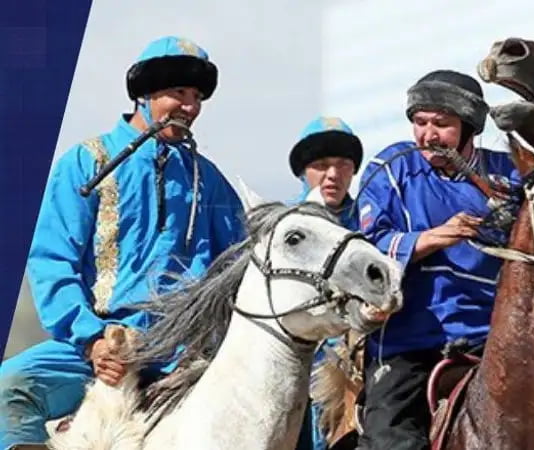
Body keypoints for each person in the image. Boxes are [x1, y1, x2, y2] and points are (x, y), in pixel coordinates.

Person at [0, 36, 244, 449]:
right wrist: (93, 340)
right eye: (178, 93)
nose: (190, 107)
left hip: (184, 354)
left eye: (197, 96)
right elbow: (52, 261)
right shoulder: (86, 162)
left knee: (290, 404)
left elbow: (239, 267)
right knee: (11, 385)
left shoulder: (211, 182)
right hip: (96, 348)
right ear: (145, 95)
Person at [355, 69, 519, 450]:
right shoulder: (392, 167)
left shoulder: (509, 175)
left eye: (442, 124)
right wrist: (433, 238)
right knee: (389, 441)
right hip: (407, 336)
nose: (428, 135)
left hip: (491, 336)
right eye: (420, 122)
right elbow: (365, 249)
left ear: (468, 127)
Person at [288, 116, 364, 450]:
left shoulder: (373, 223)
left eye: (343, 165)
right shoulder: (283, 228)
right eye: (321, 165)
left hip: (357, 358)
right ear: (304, 171)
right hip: (295, 355)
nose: (333, 175)